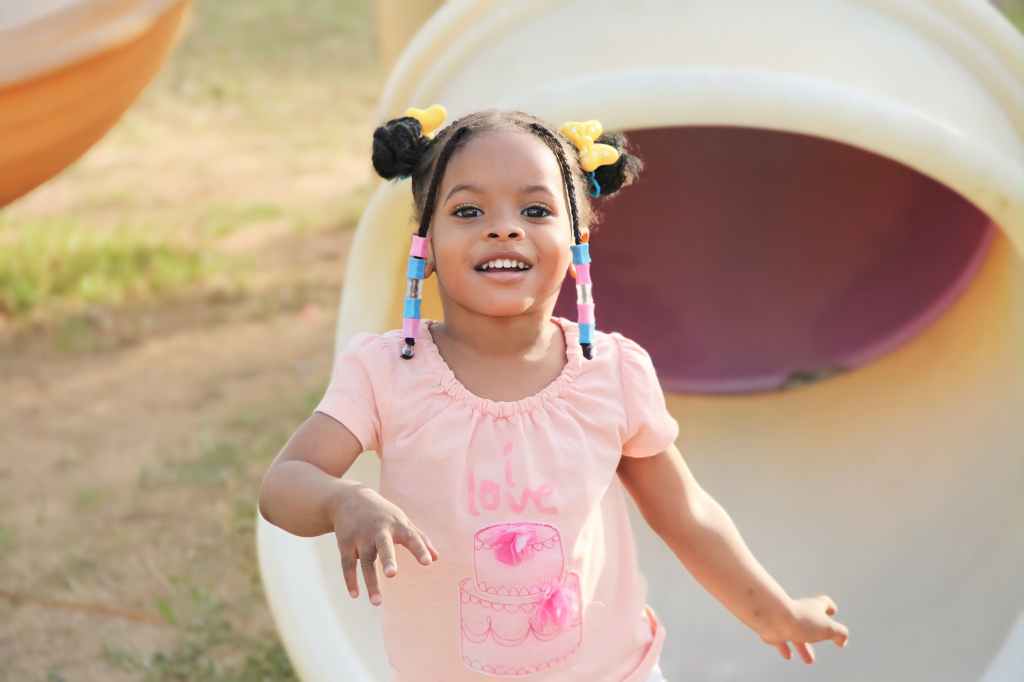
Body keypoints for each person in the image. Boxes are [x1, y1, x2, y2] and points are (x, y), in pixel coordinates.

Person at [258, 105, 849, 681]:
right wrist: (342, 502)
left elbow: (687, 516)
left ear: (577, 242)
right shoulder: (387, 371)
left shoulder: (611, 372)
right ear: (425, 247)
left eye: (536, 209)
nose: (504, 227)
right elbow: (284, 485)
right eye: (467, 210)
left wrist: (773, 611)